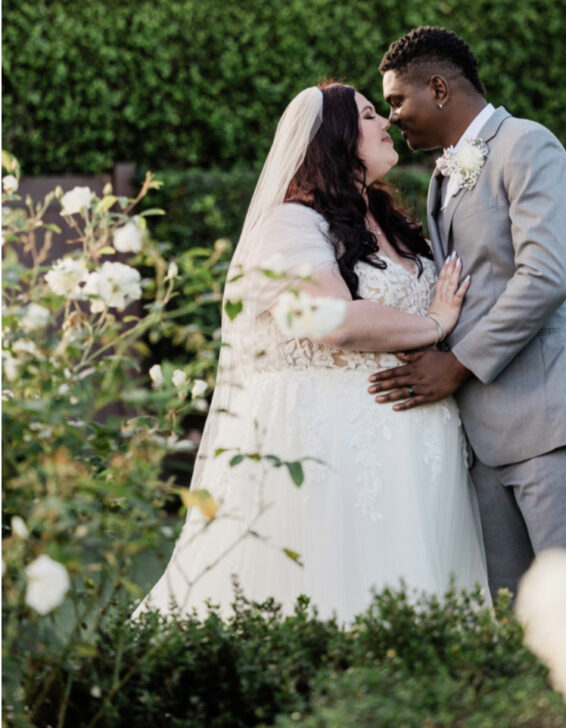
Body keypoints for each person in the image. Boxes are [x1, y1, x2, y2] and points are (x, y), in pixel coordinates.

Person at [135, 83, 489, 624]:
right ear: (338, 140)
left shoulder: (386, 220)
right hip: (338, 446)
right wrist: (435, 322)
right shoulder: (290, 224)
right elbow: (332, 321)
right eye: (370, 115)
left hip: (418, 451)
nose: (386, 123)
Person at [369, 26, 566, 596]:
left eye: (397, 100)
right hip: (481, 439)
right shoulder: (439, 179)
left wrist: (457, 365)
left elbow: (545, 275)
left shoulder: (526, 144)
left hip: (550, 419)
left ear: (438, 87)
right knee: (514, 618)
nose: (394, 117)